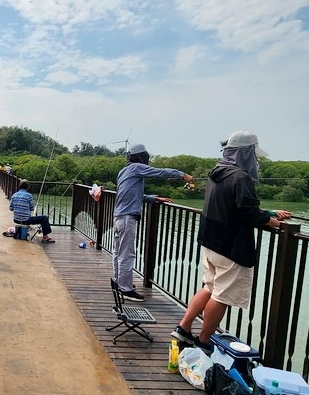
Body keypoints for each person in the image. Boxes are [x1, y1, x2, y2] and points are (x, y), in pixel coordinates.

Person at [171, 131, 290, 352]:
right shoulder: (241, 177)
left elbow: (234, 207)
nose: (255, 159)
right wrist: (277, 224)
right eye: (253, 153)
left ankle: (183, 328)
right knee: (222, 295)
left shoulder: (217, 172)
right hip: (231, 247)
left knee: (210, 287)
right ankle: (204, 341)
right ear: (246, 153)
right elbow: (249, 214)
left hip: (211, 242)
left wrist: (271, 212)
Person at [113, 143, 193, 301]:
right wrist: (182, 174)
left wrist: (154, 198)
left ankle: (118, 281)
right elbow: (160, 172)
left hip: (118, 217)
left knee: (118, 253)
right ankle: (125, 289)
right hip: (127, 217)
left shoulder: (124, 171)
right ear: (141, 157)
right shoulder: (136, 167)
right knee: (126, 254)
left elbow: (133, 195)